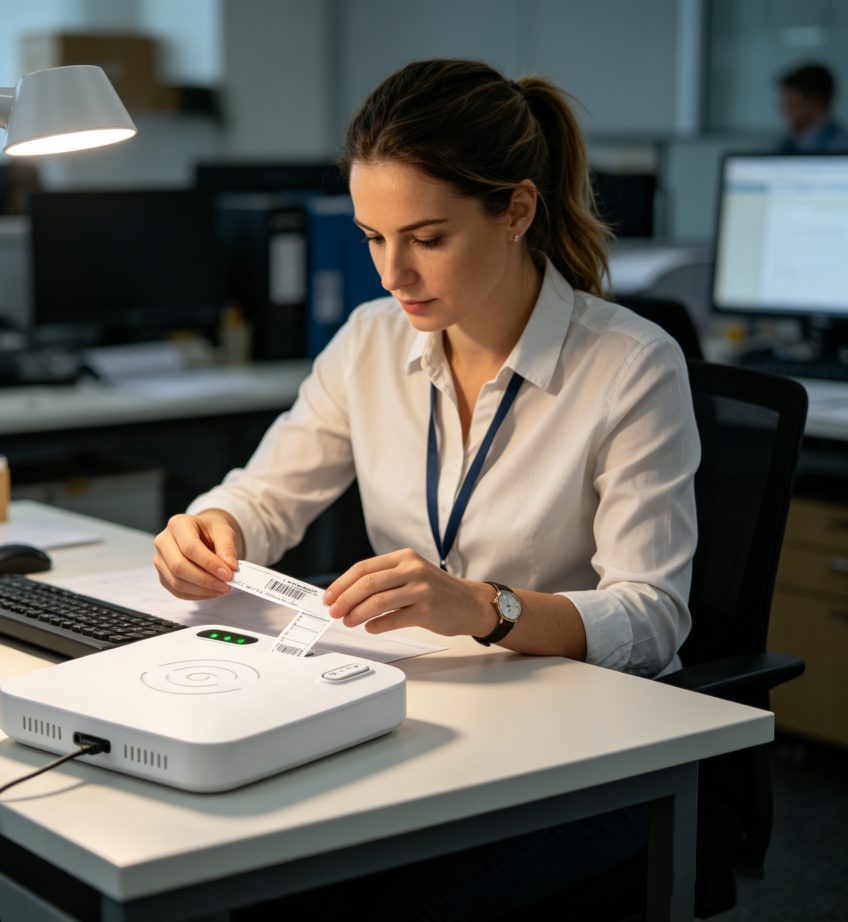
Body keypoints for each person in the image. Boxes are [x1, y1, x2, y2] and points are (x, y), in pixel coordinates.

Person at [154, 59, 700, 917]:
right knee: (217, 857)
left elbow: (655, 613)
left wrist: (487, 607)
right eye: (374, 236)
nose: (391, 273)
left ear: (517, 209)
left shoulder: (630, 367)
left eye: (427, 237)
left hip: (583, 756)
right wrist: (212, 525)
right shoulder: (372, 341)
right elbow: (265, 496)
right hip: (415, 718)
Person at [777, 62, 848, 153]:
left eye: (791, 104)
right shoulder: (789, 142)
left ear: (814, 103)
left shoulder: (841, 146)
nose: (785, 111)